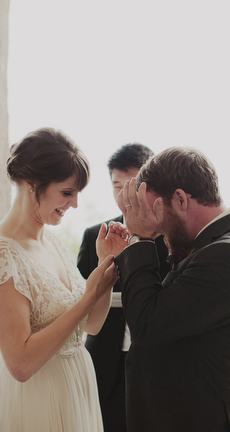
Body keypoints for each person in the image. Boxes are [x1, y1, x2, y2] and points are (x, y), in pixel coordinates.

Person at [0, 128, 127, 432]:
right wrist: (87, 295)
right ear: (32, 184)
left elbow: (92, 325)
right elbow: (20, 364)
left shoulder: (51, 241)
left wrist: (105, 267)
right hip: (36, 398)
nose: (75, 204)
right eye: (67, 193)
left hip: (75, 384)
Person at [112, 147, 230, 431]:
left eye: (154, 211)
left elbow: (146, 324)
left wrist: (140, 238)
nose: (156, 227)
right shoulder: (220, 240)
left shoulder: (228, 254)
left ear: (180, 199)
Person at [77, 143, 170, 432]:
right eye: (117, 185)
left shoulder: (170, 238)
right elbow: (79, 298)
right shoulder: (97, 235)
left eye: (130, 185)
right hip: (105, 361)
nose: (123, 194)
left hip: (158, 364)